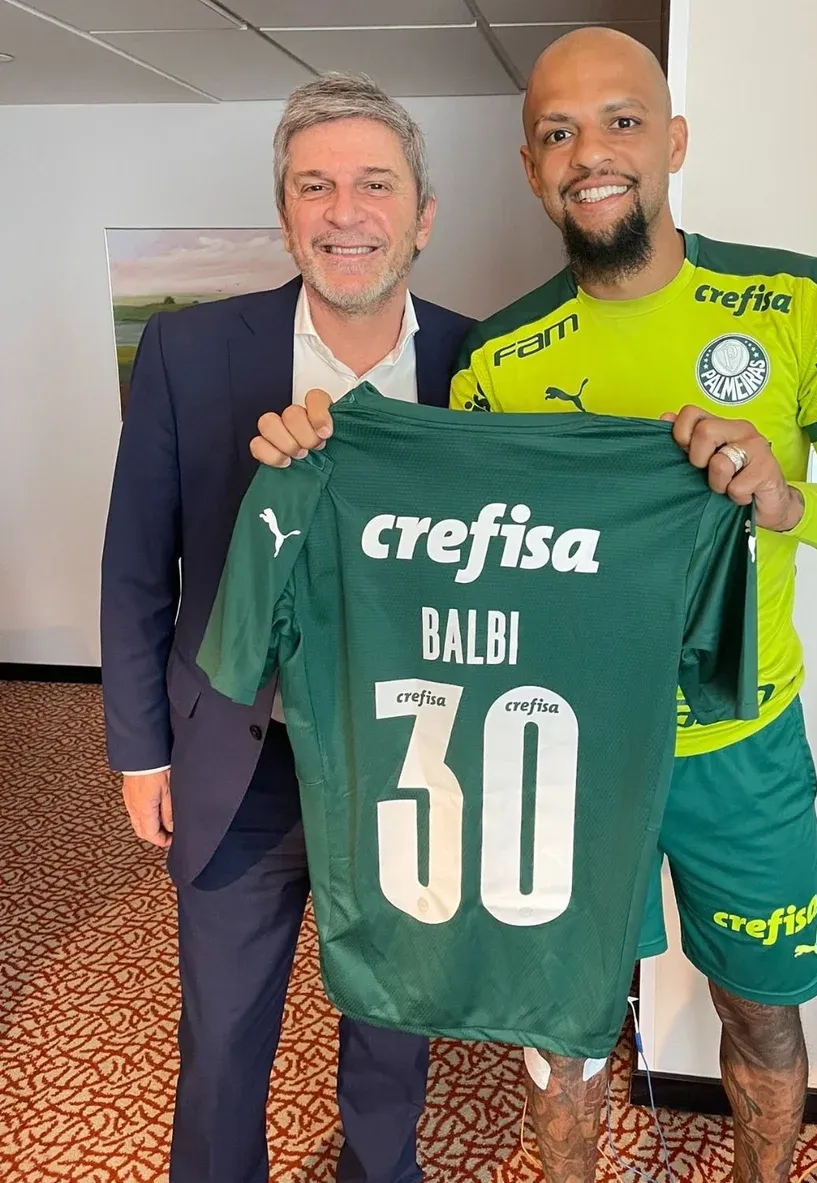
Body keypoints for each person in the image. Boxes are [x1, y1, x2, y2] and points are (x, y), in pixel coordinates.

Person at [250, 30, 817, 1183]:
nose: (590, 153)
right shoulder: (499, 360)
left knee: (760, 1009)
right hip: (558, 758)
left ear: (673, 140)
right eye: (558, 133)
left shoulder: (796, 301)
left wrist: (784, 497)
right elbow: (456, 563)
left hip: (738, 745)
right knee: (557, 1037)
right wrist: (315, 468)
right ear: (531, 168)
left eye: (621, 121)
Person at [101, 73, 473, 1183]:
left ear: (423, 215)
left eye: (375, 185)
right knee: (222, 1037)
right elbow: (137, 565)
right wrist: (140, 751)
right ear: (285, 214)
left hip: (412, 764)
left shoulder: (484, 365)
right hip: (237, 760)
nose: (344, 213)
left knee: (392, 1039)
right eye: (315, 186)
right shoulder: (188, 352)